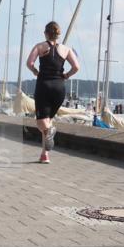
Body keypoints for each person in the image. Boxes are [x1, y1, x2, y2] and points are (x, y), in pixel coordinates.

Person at [26, 21, 80, 163]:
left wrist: (35, 71)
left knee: (41, 123)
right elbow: (76, 67)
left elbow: (29, 63)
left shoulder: (39, 46)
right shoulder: (66, 49)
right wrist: (66, 75)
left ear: (45, 33)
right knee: (48, 120)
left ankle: (49, 132)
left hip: (44, 85)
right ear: (58, 34)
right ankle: (45, 155)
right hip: (59, 87)